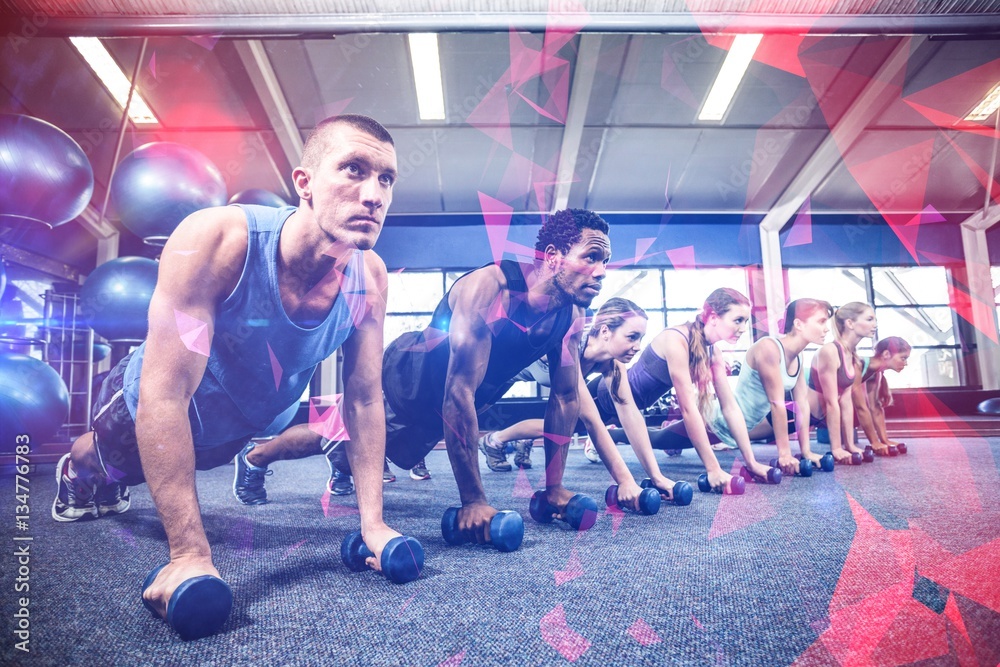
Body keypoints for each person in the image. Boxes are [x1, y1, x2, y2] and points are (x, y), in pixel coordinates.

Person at [51, 114, 407, 620]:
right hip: (152, 411)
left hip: (237, 430)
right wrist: (189, 555)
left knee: (164, 474)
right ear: (303, 184)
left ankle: (112, 479)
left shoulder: (369, 278)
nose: (374, 194)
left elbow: (366, 398)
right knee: (108, 463)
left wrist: (374, 524)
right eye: (353, 169)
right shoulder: (220, 240)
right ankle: (79, 471)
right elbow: (165, 394)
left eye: (386, 178)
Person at [240, 208, 611, 539]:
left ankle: (343, 465)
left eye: (606, 261)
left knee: (382, 449)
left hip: (446, 404)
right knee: (334, 433)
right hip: (408, 381)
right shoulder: (490, 289)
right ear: (553, 257)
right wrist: (474, 501)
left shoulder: (571, 317)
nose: (601, 272)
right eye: (591, 257)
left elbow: (564, 398)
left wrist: (555, 487)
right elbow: (458, 392)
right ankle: (255, 458)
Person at [479, 297, 688, 505]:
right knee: (468, 411)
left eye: (641, 338)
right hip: (499, 368)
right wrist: (625, 481)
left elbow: (629, 412)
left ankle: (509, 440)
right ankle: (491, 441)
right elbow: (592, 421)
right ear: (605, 331)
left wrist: (656, 476)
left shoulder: (613, 364)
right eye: (632, 337)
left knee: (567, 422)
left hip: (534, 374)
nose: (638, 346)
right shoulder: (571, 345)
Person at [600, 288, 757, 492]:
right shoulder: (676, 340)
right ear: (714, 317)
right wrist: (713, 469)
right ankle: (601, 434)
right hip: (607, 397)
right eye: (738, 320)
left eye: (746, 321)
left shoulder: (713, 352)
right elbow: (688, 409)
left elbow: (730, 408)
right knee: (554, 429)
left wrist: (751, 462)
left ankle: (606, 434)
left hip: (631, 409)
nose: (743, 328)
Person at [710, 299, 834, 476]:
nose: (826, 329)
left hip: (747, 427)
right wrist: (784, 454)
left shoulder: (798, 358)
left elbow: (802, 405)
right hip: (720, 421)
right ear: (798, 324)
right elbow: (777, 404)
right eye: (821, 321)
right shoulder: (769, 348)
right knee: (660, 439)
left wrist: (806, 451)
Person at [806, 301, 877, 464]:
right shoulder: (830, 351)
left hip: (816, 417)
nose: (875, 325)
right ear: (850, 323)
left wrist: (849, 445)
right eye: (869, 319)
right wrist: (836, 448)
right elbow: (831, 402)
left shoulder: (851, 356)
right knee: (746, 430)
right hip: (795, 415)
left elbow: (845, 401)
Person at [853, 336, 911, 455]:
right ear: (886, 354)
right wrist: (874, 442)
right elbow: (861, 407)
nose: (906, 363)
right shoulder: (858, 364)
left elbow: (875, 407)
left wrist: (885, 441)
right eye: (903, 358)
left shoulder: (877, 372)